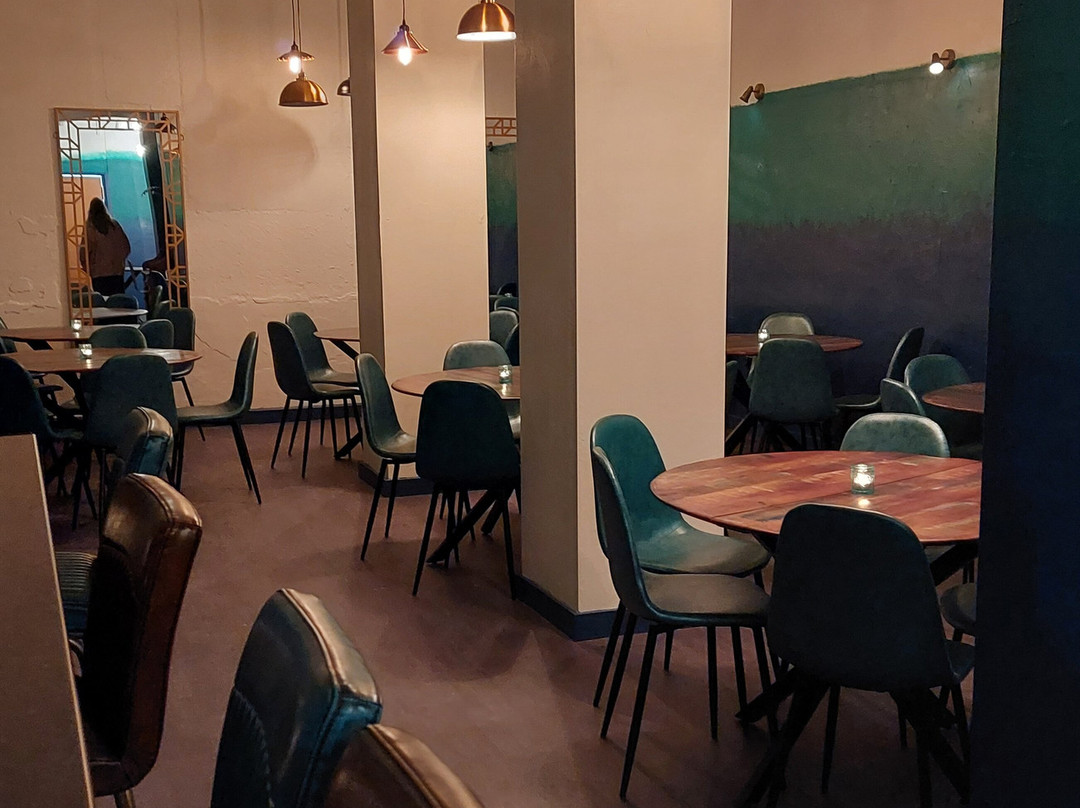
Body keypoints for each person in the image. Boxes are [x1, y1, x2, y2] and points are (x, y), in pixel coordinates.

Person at [81, 198, 130, 297]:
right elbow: (126, 248)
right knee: (117, 301)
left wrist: (88, 268)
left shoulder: (90, 229)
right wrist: (118, 262)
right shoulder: (115, 226)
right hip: (117, 273)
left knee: (103, 302)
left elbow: (84, 253)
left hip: (99, 274)